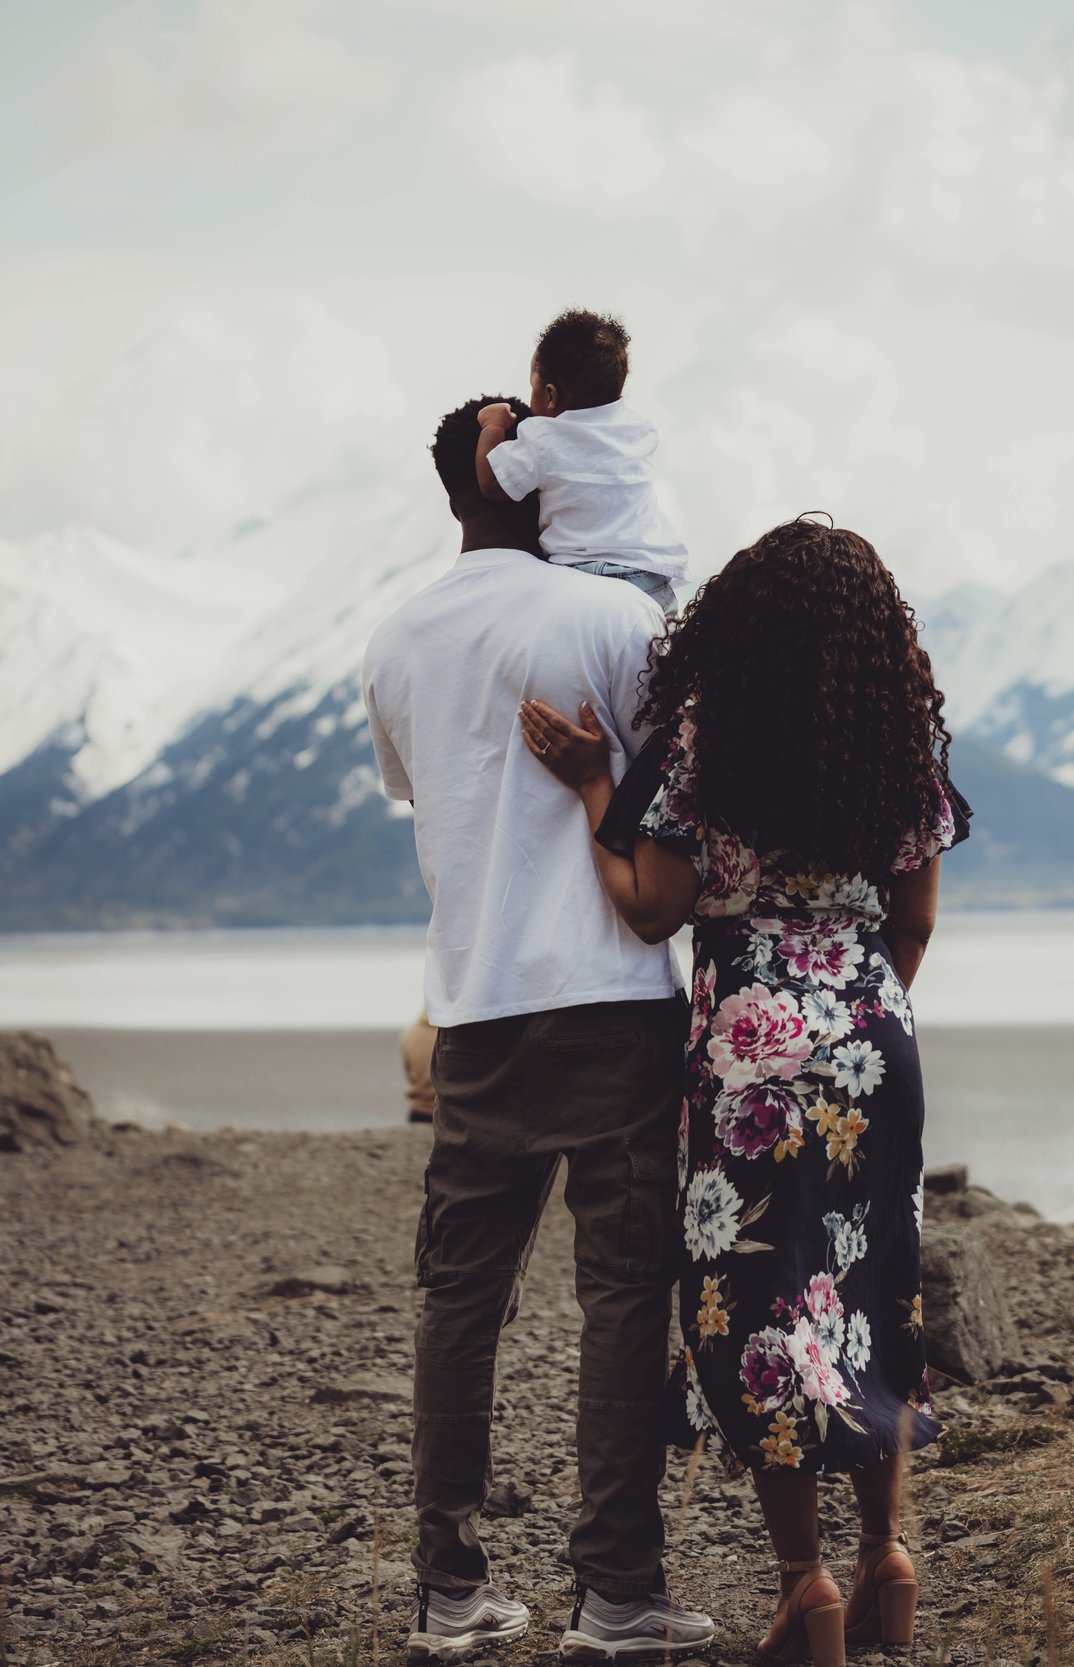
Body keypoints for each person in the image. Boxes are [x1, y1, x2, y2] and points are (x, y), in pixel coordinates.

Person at [519, 515, 969, 1667]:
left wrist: (587, 786)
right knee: (873, 1287)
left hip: (746, 1045)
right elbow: (914, 919)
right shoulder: (896, 738)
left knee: (757, 1305)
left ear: (740, 623)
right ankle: (887, 1559)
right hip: (876, 1033)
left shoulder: (704, 738)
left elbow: (651, 903)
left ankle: (805, 1584)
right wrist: (856, 1010)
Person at [362, 396, 715, 1662]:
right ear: (503, 472)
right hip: (615, 1000)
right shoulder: (612, 618)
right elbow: (676, 798)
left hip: (473, 1008)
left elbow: (431, 793)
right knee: (622, 1294)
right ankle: (616, 1594)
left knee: (461, 1301)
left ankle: (447, 1588)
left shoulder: (396, 640)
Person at [474, 309, 688, 613]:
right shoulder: (641, 430)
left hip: (582, 578)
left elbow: (492, 484)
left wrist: (492, 426)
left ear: (550, 395)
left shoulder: (543, 437)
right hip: (649, 575)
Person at [400, 1009, 435, 1124]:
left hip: (419, 1111)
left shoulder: (409, 1033)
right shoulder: (457, 1032)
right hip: (448, 1112)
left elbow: (410, 1072)